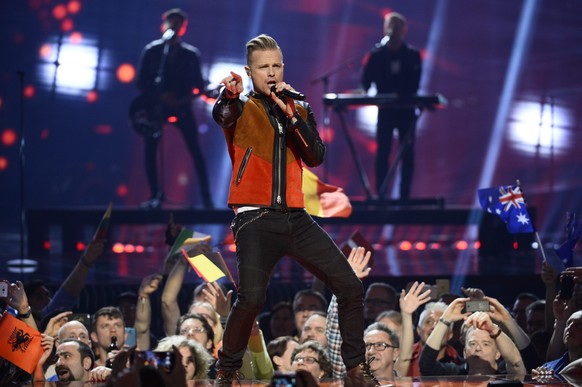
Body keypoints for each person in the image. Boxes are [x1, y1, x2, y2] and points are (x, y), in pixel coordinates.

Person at [212, 34, 378, 386]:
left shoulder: (299, 107)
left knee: (348, 285)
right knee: (252, 296)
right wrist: (229, 94)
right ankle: (226, 371)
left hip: (296, 218)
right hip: (254, 218)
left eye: (276, 66)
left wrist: (291, 115)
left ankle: (354, 370)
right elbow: (222, 115)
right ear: (249, 70)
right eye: (263, 67)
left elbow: (315, 156)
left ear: (283, 67)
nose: (270, 73)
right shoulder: (241, 105)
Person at [135, 8, 213, 209]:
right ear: (165, 25)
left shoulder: (190, 54)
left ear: (183, 27)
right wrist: (159, 95)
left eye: (179, 23)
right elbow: (141, 82)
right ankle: (154, 196)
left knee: (195, 150)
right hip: (156, 107)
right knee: (151, 149)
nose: (176, 26)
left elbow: (199, 84)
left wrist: (209, 92)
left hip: (182, 108)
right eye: (172, 22)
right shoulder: (152, 51)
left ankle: (206, 199)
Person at [361, 11, 422, 200]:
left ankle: (405, 196)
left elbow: (415, 84)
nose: (393, 30)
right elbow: (366, 81)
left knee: (407, 153)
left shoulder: (412, 55)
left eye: (397, 27)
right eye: (390, 26)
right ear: (385, 29)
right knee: (383, 152)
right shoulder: (377, 54)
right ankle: (381, 194)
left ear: (404, 30)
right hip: (385, 111)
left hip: (405, 111)